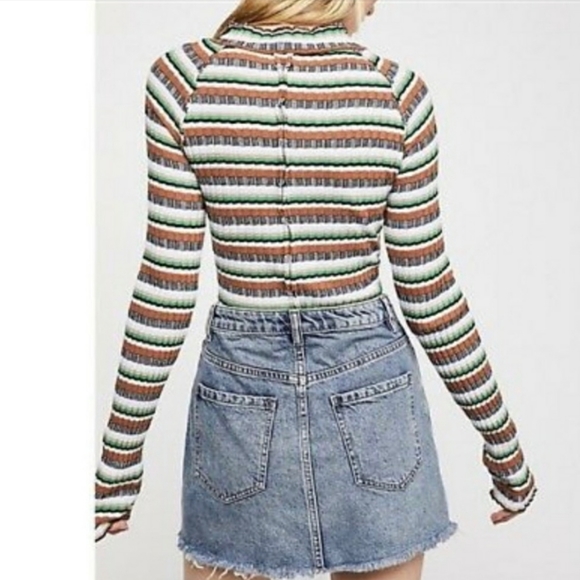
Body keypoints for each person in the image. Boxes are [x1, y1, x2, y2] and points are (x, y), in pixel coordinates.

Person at [95, 1, 538, 579]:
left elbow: (167, 282)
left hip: (240, 400)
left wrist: (119, 459)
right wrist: (501, 439)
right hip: (373, 392)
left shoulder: (184, 80)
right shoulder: (396, 93)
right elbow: (427, 287)